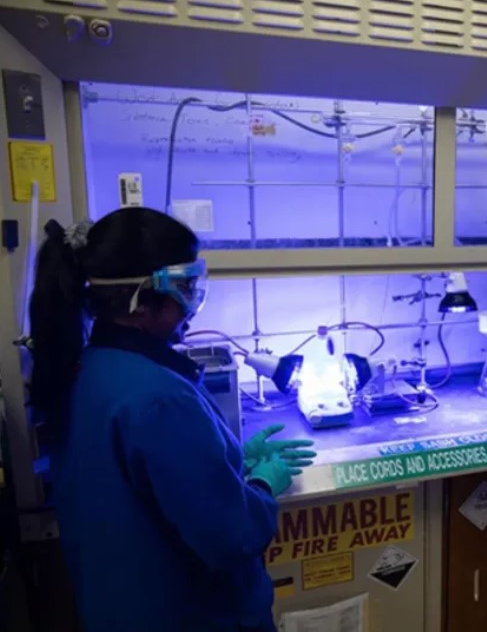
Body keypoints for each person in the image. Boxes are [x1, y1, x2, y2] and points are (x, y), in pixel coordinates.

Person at [29, 207, 316, 632]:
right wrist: (260, 484)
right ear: (139, 301)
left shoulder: (86, 368)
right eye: (185, 288)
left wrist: (232, 458)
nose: (193, 305)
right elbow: (231, 537)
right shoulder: (158, 398)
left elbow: (137, 488)